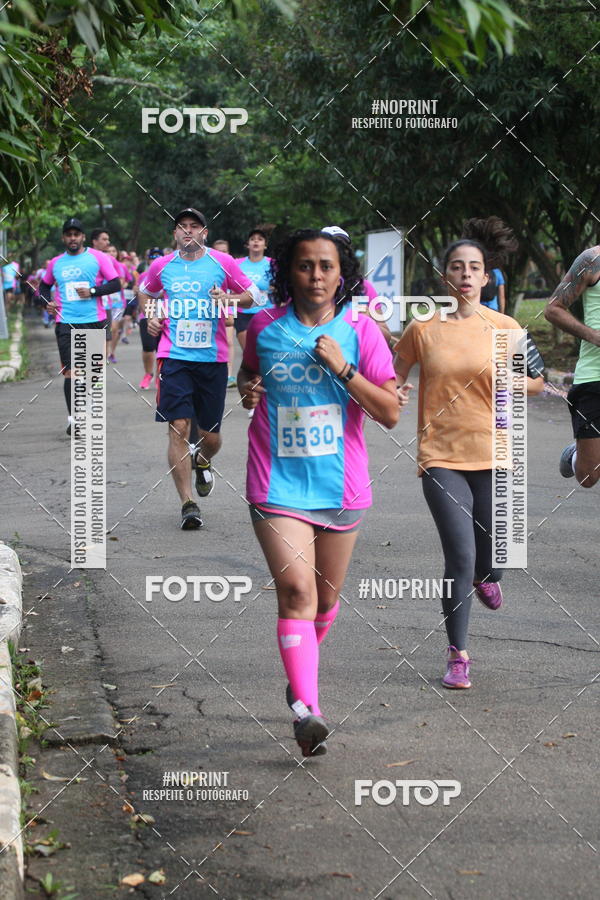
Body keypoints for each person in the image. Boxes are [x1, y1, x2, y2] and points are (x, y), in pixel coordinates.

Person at [238, 228, 398, 756]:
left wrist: (344, 369)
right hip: (276, 480)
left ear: (341, 273)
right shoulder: (263, 326)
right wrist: (247, 389)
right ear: (289, 271)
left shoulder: (360, 330)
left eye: (326, 266)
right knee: (297, 593)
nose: (315, 276)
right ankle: (307, 709)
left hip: (340, 484)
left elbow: (390, 412)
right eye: (305, 265)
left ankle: (298, 679)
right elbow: (248, 374)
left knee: (325, 600)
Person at [393, 220, 544, 690]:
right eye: (457, 267)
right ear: (445, 276)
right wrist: (394, 390)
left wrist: (510, 380)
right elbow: (393, 372)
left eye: (474, 268)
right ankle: (457, 654)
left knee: (493, 557)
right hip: (440, 455)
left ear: (486, 276)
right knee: (459, 555)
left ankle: (488, 575)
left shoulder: (506, 328)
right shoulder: (424, 328)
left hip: (495, 452)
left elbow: (537, 381)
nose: (465, 274)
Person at [140, 208, 259, 529]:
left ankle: (203, 459)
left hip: (212, 360)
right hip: (174, 357)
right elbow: (145, 292)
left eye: (195, 226)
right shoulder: (161, 266)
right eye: (182, 227)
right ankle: (188, 503)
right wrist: (152, 315)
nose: (188, 231)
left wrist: (229, 298)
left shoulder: (223, 262)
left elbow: (253, 296)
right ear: (175, 234)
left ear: (204, 233)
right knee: (178, 426)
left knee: (211, 437)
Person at [39, 218, 120, 434]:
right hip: (65, 322)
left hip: (94, 320)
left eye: (76, 234)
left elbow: (115, 283)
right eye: (69, 235)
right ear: (63, 238)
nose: (73, 238)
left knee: (93, 371)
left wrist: (92, 291)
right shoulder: (56, 263)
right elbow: (43, 287)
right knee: (71, 372)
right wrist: (47, 303)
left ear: (83, 237)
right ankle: (74, 419)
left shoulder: (98, 257)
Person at [544, 245, 600, 488]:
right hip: (594, 377)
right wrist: (593, 336)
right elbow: (553, 310)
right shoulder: (592, 260)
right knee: (588, 477)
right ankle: (576, 454)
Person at [212, 240, 236, 388]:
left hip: (227, 305)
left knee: (229, 341)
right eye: (218, 251)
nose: (222, 254)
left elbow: (239, 288)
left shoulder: (231, 266)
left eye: (224, 251)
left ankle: (229, 375)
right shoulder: (208, 266)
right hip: (210, 308)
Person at [138, 248, 163, 389]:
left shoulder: (169, 274)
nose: (155, 261)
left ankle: (160, 376)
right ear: (148, 260)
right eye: (153, 258)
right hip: (146, 315)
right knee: (148, 347)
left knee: (161, 349)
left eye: (158, 258)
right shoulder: (143, 275)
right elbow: (140, 293)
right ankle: (148, 374)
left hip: (164, 315)